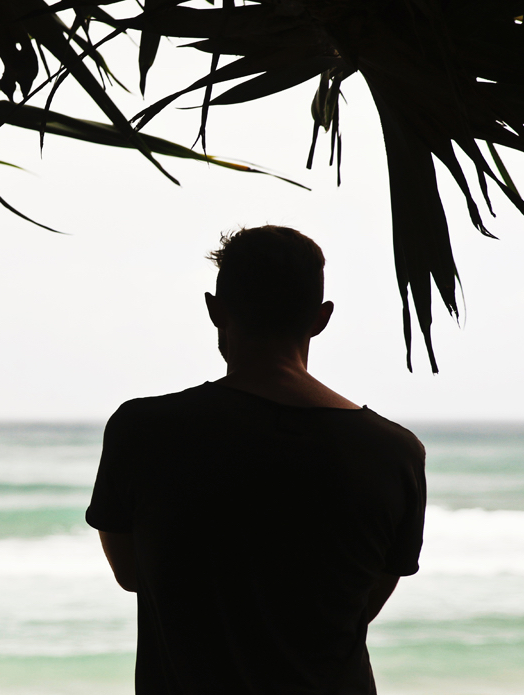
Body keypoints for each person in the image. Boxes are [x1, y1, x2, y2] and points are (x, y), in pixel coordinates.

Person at [86, 226, 426, 694]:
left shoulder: (143, 430)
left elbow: (132, 574)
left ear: (215, 310)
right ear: (321, 318)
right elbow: (362, 602)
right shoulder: (395, 452)